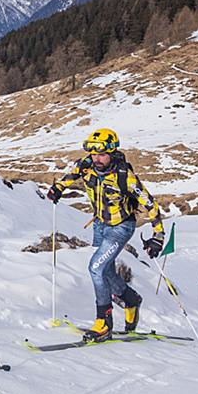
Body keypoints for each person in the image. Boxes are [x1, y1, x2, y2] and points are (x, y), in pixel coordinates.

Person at [45, 128, 165, 342]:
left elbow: (150, 204)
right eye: (93, 154)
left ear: (111, 152)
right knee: (106, 270)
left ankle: (103, 322)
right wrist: (58, 188)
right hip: (99, 225)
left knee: (95, 267)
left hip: (121, 227)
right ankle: (130, 299)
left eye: (101, 154)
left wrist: (158, 237)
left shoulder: (124, 177)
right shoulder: (86, 165)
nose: (96, 159)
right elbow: (69, 176)